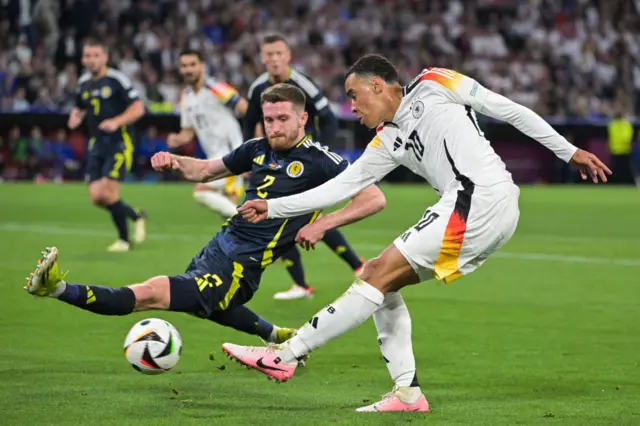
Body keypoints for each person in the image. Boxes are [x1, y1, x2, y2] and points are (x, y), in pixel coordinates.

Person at [220, 54, 612, 412]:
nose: (351, 106)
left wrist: (566, 150)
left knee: (375, 275)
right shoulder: (386, 139)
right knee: (381, 281)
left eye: (354, 96)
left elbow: (505, 108)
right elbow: (341, 187)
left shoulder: (435, 82)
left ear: (377, 85)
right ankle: (407, 392)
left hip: (479, 197)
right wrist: (273, 206)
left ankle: (285, 355)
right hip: (476, 208)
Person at [24, 83, 385, 352]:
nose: (273, 126)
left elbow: (373, 198)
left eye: (282, 119)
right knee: (209, 308)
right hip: (217, 248)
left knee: (150, 293)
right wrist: (176, 161)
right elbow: (206, 171)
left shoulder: (322, 160)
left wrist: (321, 223)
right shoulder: (256, 149)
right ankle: (276, 336)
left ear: (303, 118)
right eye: (268, 119)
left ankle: (55, 288)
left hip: (240, 268)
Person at [244, 33, 366, 300]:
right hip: (275, 162)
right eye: (269, 55)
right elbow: (249, 121)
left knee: (289, 217)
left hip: (302, 162)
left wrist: (317, 154)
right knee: (296, 217)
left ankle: (312, 281)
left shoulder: (302, 84)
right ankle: (355, 267)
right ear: (262, 58)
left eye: (279, 54)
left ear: (288, 56)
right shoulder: (257, 89)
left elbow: (328, 118)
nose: (274, 59)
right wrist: (249, 159)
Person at [69, 39, 147, 252]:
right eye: (87, 56)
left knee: (109, 193)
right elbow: (79, 106)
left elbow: (139, 109)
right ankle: (135, 215)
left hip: (119, 142)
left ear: (105, 57)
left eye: (95, 55)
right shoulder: (84, 82)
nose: (91, 60)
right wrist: (75, 116)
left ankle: (124, 240)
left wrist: (116, 122)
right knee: (96, 197)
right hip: (96, 143)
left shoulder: (116, 79)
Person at [167, 49, 248, 218]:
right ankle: (250, 229)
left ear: (202, 66)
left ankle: (251, 224)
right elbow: (188, 132)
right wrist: (177, 139)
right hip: (213, 156)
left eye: (192, 65)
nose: (188, 69)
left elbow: (245, 109)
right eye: (184, 66)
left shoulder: (216, 88)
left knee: (201, 192)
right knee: (228, 215)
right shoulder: (186, 97)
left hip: (230, 154)